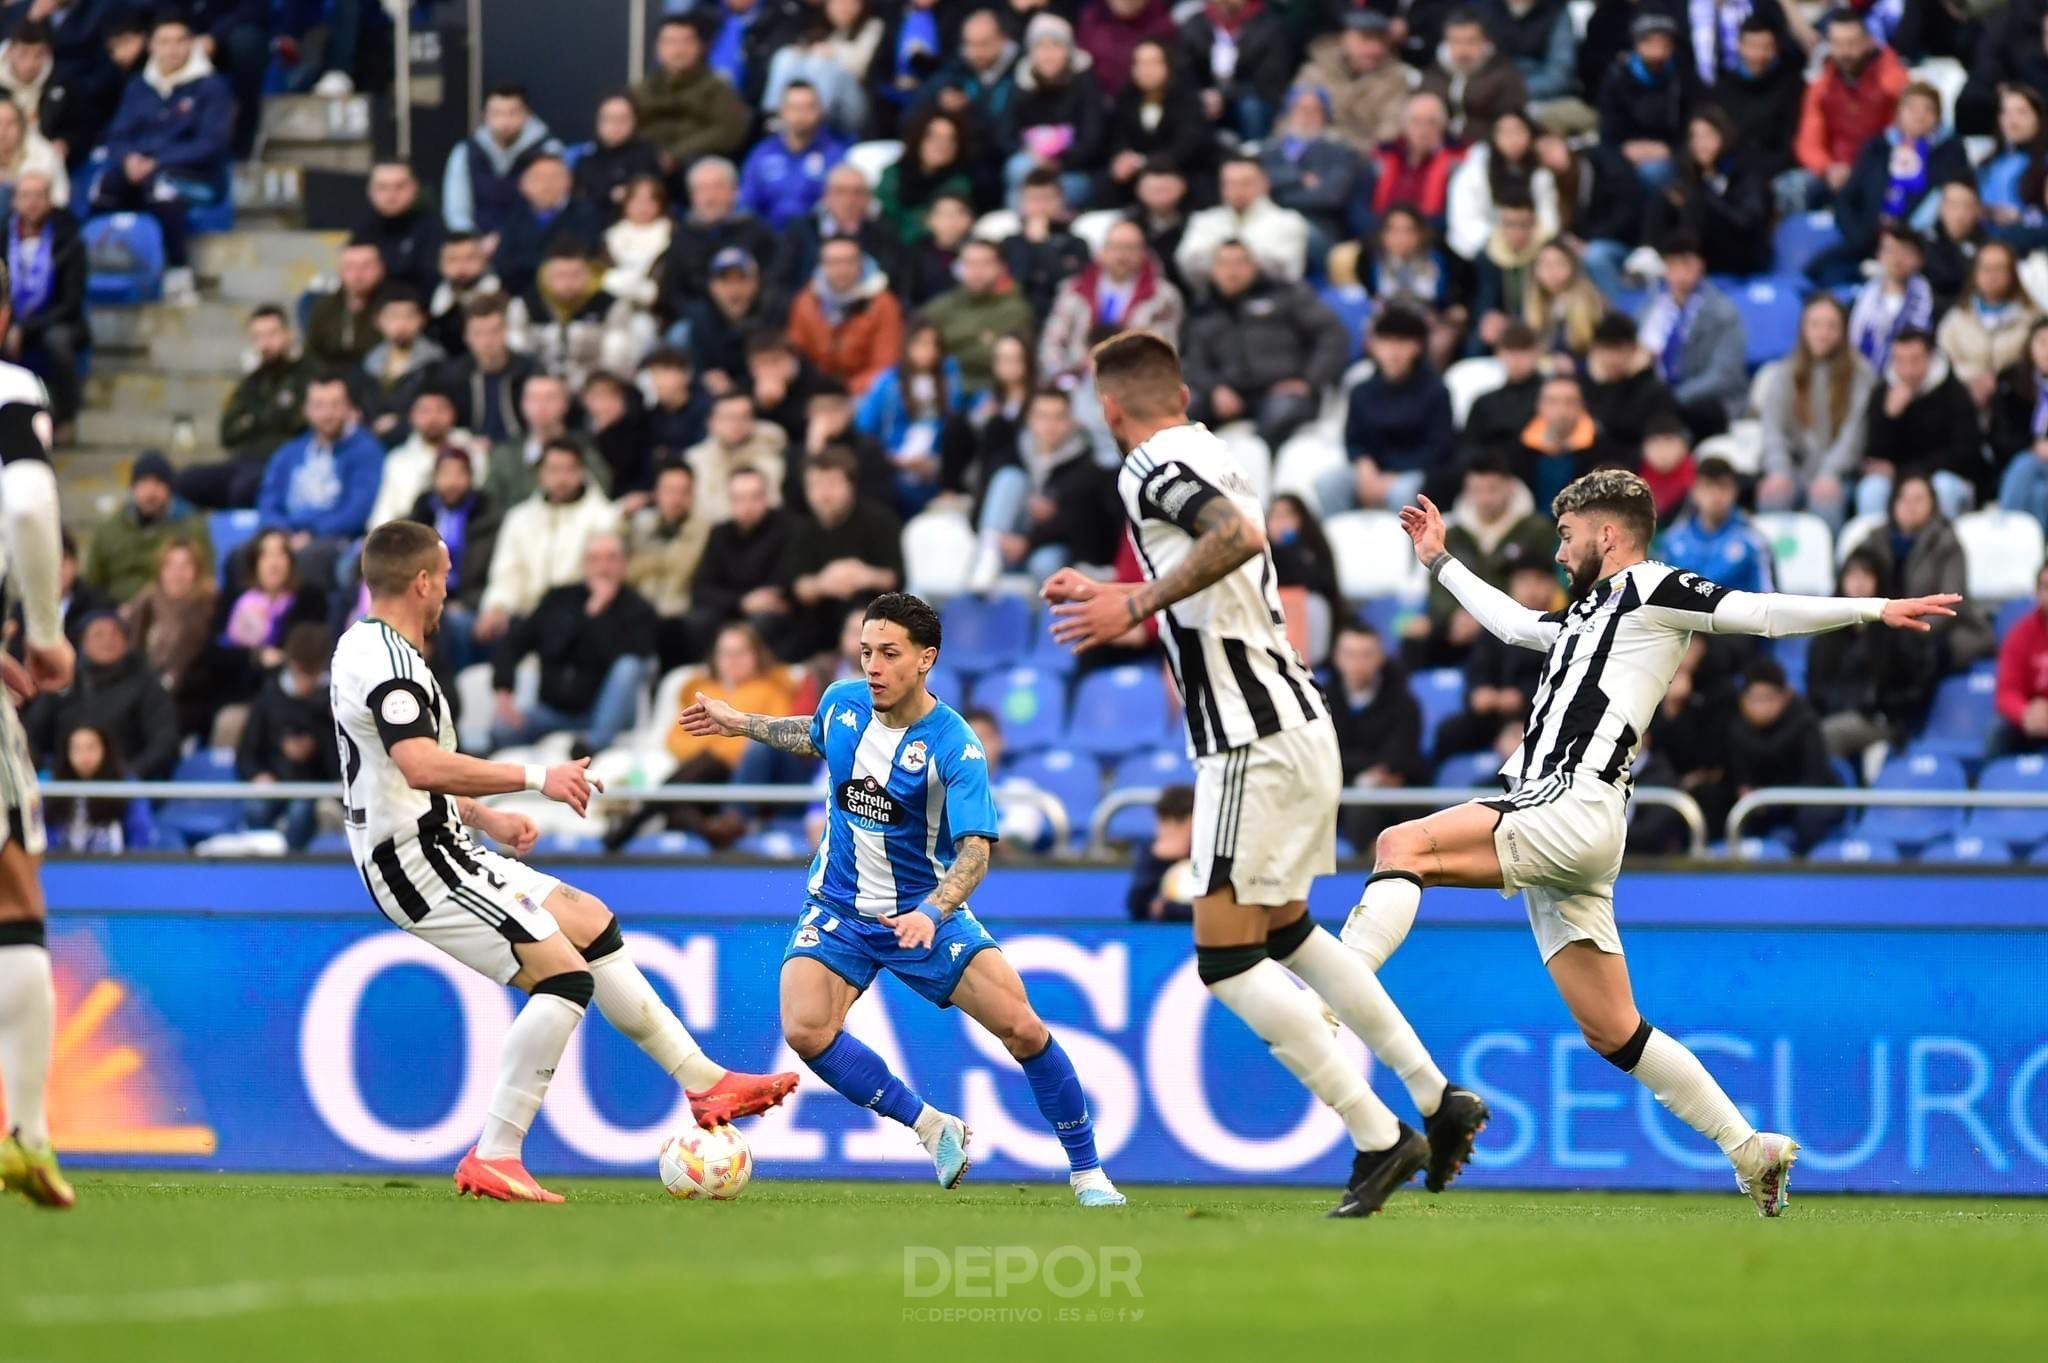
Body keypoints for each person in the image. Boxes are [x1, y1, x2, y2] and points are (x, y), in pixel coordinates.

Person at [1351, 468, 1960, 1216]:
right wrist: (1440, 561)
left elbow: (1760, 611)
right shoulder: (1585, 616)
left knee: (1401, 845)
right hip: (1578, 822)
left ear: (1608, 534)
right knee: (1614, 1031)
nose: (1559, 551)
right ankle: (1751, 1149)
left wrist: (1874, 607)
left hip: (1566, 801)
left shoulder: (1654, 589)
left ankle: (1332, 998)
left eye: (1568, 535)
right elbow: (1512, 623)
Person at [1040, 330, 1480, 1216]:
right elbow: (1227, 552)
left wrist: (1132, 602)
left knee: (1224, 958)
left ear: (1110, 409)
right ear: (1184, 394)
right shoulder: (1215, 451)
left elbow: (1234, 539)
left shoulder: (1145, 465)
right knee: (1286, 931)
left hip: (1251, 735)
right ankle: (1437, 1097)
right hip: (1297, 717)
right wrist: (1124, 594)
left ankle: (1377, 1134)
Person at [332, 520, 796, 1202]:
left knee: (590, 921)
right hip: (417, 861)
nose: (450, 588)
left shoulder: (367, 646)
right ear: (422, 581)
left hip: (441, 841)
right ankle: (496, 1152)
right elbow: (418, 762)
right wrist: (537, 778)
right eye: (446, 574)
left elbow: (399, 774)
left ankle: (705, 1082)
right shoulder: (389, 664)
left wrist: (486, 817)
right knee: (564, 977)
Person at [680, 590, 1124, 1204]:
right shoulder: (842, 702)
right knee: (806, 1029)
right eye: (866, 652)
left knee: (1023, 1028)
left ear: (925, 659)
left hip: (923, 910)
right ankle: (931, 1126)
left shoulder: (955, 745)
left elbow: (975, 852)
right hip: (838, 906)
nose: (873, 666)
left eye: (889, 653)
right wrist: (742, 723)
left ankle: (1088, 1173)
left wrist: (933, 912)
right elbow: (814, 734)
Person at [0, 142, 72, 1208]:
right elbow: (23, 501)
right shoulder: (11, 388)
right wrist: (47, 631)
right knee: (14, 895)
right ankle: (27, 1129)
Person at [89, 14, 232, 304]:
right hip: (139, 171)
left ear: (191, 44)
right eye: (164, 42)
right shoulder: (138, 86)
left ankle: (178, 273)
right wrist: (128, 159)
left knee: (161, 187)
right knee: (104, 186)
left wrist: (158, 162)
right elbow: (117, 135)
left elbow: (211, 144)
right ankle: (101, 265)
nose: (172, 49)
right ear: (151, 46)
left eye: (180, 41)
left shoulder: (211, 87)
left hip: (196, 178)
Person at [488, 532, 654, 755]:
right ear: (584, 565)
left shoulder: (639, 610)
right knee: (501, 730)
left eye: (611, 558)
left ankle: (593, 745)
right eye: (595, 559)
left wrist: (600, 613)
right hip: (551, 711)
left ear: (624, 564)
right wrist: (504, 689)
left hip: (603, 716)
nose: (603, 567)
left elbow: (630, 659)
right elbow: (514, 641)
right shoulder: (558, 599)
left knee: (629, 666)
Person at [1181, 240, 1347, 451]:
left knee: (1280, 414)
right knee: (1185, 414)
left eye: (1240, 263)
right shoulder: (1202, 311)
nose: (1232, 271)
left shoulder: (1286, 295)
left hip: (1281, 391)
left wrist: (1308, 380)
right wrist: (1215, 388)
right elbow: (1193, 360)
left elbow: (1331, 334)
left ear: (1255, 266)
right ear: (1212, 271)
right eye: (1224, 264)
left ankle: (1255, 463)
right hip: (1227, 395)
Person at [970, 386, 1119, 584]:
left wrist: (1032, 537)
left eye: (1058, 417)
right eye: (1042, 417)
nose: (1050, 425)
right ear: (1030, 419)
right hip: (1011, 533)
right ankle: (989, 552)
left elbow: (1081, 523)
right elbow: (983, 498)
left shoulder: (1086, 463)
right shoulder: (1013, 452)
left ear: (1071, 421)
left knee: (1045, 563)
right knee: (1010, 478)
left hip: (1052, 542)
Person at [476, 440, 620, 642]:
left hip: (578, 621)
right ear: (541, 474)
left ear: (581, 472)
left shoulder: (605, 518)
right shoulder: (519, 518)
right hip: (524, 618)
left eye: (569, 470)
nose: (562, 478)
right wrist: (497, 606)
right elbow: (508, 573)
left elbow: (603, 579)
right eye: (554, 470)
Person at [1850, 472, 1993, 669]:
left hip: (1939, 633)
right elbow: (1851, 580)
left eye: (1918, 499)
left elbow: (1952, 602)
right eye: (1904, 498)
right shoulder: (1875, 540)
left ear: (1933, 504)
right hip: (1885, 630)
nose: (1910, 506)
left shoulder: (1947, 541)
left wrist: (1909, 630)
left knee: (1915, 655)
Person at [1808, 547, 1937, 765]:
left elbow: (1914, 682)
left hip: (1882, 719)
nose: (1858, 583)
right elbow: (1817, 685)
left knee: (1826, 735)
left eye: (1866, 575)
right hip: (1836, 714)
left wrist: (1882, 706)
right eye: (1852, 575)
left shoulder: (1896, 630)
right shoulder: (1827, 630)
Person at [1755, 294, 1873, 527]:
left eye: (1831, 326)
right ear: (1804, 329)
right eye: (1815, 325)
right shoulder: (1784, 372)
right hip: (1794, 469)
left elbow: (1853, 435)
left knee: (1825, 502)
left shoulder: (1861, 374)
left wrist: (1829, 474)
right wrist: (1779, 471)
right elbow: (1772, 429)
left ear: (1843, 331)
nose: (1823, 333)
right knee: (1773, 496)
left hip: (1840, 474)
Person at [774, 447, 904, 660]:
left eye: (832, 485)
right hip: (815, 624)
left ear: (851, 485)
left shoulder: (881, 522)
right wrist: (823, 583)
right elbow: (793, 585)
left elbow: (895, 577)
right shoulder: (800, 531)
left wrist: (864, 575)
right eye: (815, 486)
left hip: (872, 617)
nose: (824, 495)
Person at [255, 374, 383, 586]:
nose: (327, 414)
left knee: (309, 559)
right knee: (241, 557)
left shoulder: (366, 450)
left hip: (338, 539)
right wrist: (280, 533)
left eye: (335, 405)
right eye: (319, 406)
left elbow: (357, 511)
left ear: (348, 408)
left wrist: (312, 533)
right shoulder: (290, 451)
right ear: (306, 410)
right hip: (287, 536)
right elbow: (268, 499)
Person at [1325, 307, 1455, 514]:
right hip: (1371, 471)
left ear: (1418, 346)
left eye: (1402, 343)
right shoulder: (1361, 391)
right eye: (1386, 342)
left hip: (1414, 473)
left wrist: (1391, 476)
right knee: (1328, 484)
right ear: (1374, 346)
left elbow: (1439, 449)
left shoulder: (1436, 391)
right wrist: (1364, 464)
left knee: (1404, 493)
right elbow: (1354, 441)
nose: (1394, 352)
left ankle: (1407, 535)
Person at [25, 609, 175, 779]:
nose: (107, 641)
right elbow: (32, 733)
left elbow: (164, 742)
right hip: (64, 782)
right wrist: (51, 771)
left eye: (115, 634)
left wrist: (129, 774)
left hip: (126, 783)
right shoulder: (64, 682)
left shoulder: (146, 684)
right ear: (83, 642)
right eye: (98, 635)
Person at [1039, 219, 1183, 390]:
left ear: (1143, 253)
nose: (1122, 255)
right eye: (1116, 247)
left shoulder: (1162, 296)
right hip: (1076, 379)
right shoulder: (1073, 290)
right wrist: (1063, 377)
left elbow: (1164, 350)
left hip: (1134, 383)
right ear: (1102, 251)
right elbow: (1052, 342)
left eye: (1130, 248)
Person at [1859, 327, 1981, 521]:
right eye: (1900, 361)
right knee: (1872, 489)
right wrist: (1889, 418)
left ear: (1930, 358)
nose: (1907, 370)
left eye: (1915, 360)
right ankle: (1879, 541)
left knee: (1944, 487)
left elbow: (1965, 455)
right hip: (1898, 481)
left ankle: (1942, 540)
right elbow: (1874, 458)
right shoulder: (1882, 394)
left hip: (1941, 477)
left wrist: (1905, 471)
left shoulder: (1954, 392)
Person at [1327, 620, 1427, 850]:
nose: (1358, 663)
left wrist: (1378, 771)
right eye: (1350, 655)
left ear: (1380, 657)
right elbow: (1327, 757)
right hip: (1345, 792)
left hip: (1398, 789)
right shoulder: (1322, 703)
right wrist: (1367, 771)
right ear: (1337, 658)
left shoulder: (1404, 700)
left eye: (1366, 655)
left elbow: (1403, 754)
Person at [235, 620, 335, 851]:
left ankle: (291, 861)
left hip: (314, 789)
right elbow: (246, 752)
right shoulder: (269, 697)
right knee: (256, 808)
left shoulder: (332, 702)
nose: (306, 683)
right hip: (275, 784)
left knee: (301, 811)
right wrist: (258, 775)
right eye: (302, 673)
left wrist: (316, 744)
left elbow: (340, 762)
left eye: (312, 674)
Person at [1793, 9, 1907, 209]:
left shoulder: (1892, 80)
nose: (1845, 52)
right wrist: (1828, 169)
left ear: (1868, 42)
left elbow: (1903, 136)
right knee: (1790, 186)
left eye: (1852, 43)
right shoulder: (1822, 86)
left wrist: (1862, 171)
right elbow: (1808, 142)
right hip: (1834, 172)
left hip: (1880, 170)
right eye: (1837, 44)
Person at [1638, 231, 1746, 438]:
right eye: (1673, 265)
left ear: (1700, 266)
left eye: (1686, 264)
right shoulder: (1652, 307)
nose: (1679, 273)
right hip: (1661, 400)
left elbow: (1724, 374)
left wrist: (1674, 398)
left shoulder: (1723, 312)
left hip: (1708, 402)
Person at [505, 243, 652, 394]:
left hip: (592, 387)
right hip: (540, 388)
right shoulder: (524, 305)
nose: (567, 283)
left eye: (575, 274)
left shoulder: (610, 305)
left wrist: (595, 386)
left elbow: (617, 359)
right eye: (560, 275)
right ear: (546, 274)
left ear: (588, 273)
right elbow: (517, 353)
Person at [405, 446, 500, 676]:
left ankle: (455, 689)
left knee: (454, 624)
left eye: (459, 474)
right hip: (423, 596)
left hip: (468, 599)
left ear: (470, 478)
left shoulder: (487, 516)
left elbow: (494, 571)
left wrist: (467, 601)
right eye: (445, 474)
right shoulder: (422, 511)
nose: (452, 482)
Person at [1644, 108, 1770, 277]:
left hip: (1740, 251)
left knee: (1694, 199)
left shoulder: (1745, 171)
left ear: (1724, 136)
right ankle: (1650, 254)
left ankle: (1686, 262)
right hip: (1705, 250)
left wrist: (1705, 199)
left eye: (1707, 135)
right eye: (1694, 136)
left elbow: (1746, 221)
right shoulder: (1691, 174)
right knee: (1664, 196)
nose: (1700, 143)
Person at [2, 170, 81, 432]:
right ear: (15, 202)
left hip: (56, 319)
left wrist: (25, 329)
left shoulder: (68, 240)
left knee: (57, 342)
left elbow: (70, 303)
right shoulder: (3, 238)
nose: (32, 203)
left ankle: (66, 420)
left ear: (49, 201)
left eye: (38, 196)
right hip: (11, 317)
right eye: (25, 196)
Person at [119, 535, 217, 739]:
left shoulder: (211, 607)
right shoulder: (145, 603)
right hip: (144, 691)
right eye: (170, 565)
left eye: (186, 565)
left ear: (197, 571)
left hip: (190, 698)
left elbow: (210, 666)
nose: (177, 573)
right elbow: (132, 654)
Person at [81, 449, 211, 603]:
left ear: (170, 489)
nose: (151, 491)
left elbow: (206, 581)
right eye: (144, 482)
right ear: (133, 488)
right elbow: (91, 585)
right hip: (116, 611)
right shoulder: (108, 531)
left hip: (173, 608)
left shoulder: (191, 528)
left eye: (158, 483)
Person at [1096, 37, 1210, 208]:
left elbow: (1190, 144)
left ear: (1169, 66)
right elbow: (1117, 138)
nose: (1146, 70)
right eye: (1140, 63)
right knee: (1105, 182)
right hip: (1135, 172)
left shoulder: (1187, 99)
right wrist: (1123, 158)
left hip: (1178, 168)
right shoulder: (1125, 97)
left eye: (1154, 63)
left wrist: (1146, 162)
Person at [687, 464, 792, 649]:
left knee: (764, 622)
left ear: (766, 497)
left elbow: (785, 581)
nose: (747, 506)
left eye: (755, 497)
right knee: (699, 621)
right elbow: (700, 588)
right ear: (730, 501)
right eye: (739, 499)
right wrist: (741, 602)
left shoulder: (786, 527)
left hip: (770, 613)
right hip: (732, 609)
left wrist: (762, 600)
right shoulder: (720, 533)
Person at [787, 236, 903, 397]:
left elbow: (886, 364)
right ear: (822, 265)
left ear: (861, 263)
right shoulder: (805, 302)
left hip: (866, 394)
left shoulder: (883, 304)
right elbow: (796, 356)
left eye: (849, 261)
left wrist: (846, 392)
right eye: (834, 262)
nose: (842, 269)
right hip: (816, 394)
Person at [631, 17, 750, 170]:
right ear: (658, 48)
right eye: (670, 42)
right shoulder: (641, 90)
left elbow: (729, 130)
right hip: (646, 165)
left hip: (695, 164)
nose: (679, 50)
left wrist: (675, 154)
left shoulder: (717, 88)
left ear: (700, 47)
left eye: (686, 41)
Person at [1258, 84, 1365, 251]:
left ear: (1325, 116)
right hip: (1270, 221)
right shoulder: (1269, 150)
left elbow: (1330, 196)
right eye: (1300, 108)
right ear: (1289, 112)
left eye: (1314, 110)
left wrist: (1276, 195)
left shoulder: (1340, 152)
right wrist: (1298, 178)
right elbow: (1257, 186)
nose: (1306, 116)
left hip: (1317, 225)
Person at [215, 527, 326, 688]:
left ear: (291, 561)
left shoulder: (310, 600)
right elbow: (217, 653)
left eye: (281, 554)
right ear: (254, 562)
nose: (274, 563)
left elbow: (310, 651)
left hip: (290, 688)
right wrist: (255, 656)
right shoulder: (235, 598)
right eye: (265, 555)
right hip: (237, 686)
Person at [1445, 107, 1560, 263]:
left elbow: (1548, 220)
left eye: (1518, 131)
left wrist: (1526, 238)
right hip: (1483, 247)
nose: (1512, 139)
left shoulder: (1541, 175)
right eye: (1505, 132)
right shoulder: (1473, 172)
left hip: (1531, 245)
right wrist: (1499, 242)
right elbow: (1464, 220)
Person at [921, 238, 1035, 393]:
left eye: (985, 264)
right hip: (944, 390)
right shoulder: (939, 307)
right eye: (970, 263)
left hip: (995, 392)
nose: (977, 271)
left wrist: (952, 345)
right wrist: (980, 339)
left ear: (1001, 267)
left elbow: (1010, 361)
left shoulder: (1015, 310)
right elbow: (921, 351)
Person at [1176, 155, 1310, 286]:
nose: (1238, 190)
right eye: (1230, 183)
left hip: (1273, 297)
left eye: (1246, 183)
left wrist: (1221, 254)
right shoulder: (1203, 220)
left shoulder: (1288, 221)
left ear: (1265, 183)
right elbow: (1188, 264)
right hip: (1216, 297)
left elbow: (1287, 271)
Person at [663, 158, 781, 305]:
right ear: (692, 196)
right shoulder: (682, 238)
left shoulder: (759, 232)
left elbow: (776, 281)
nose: (710, 197)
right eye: (701, 189)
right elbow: (673, 291)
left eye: (717, 187)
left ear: (734, 191)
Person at [1936, 240, 2037, 412]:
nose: (1992, 276)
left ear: (2013, 273)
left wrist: (2002, 380)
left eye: (1999, 268)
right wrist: (1973, 377)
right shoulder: (1956, 318)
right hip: (1964, 404)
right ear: (1975, 273)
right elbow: (1942, 361)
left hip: (2018, 406)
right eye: (1985, 268)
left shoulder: (2033, 318)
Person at [369, 384, 485, 531]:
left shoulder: (472, 450)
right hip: (407, 534)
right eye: (425, 411)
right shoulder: (397, 460)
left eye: (440, 409)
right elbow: (383, 512)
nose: (433, 418)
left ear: (454, 413)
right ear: (411, 416)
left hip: (467, 532)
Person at [1597, 12, 1693, 189]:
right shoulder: (1617, 77)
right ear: (1636, 44)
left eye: (1662, 42)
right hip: (1625, 150)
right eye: (1649, 41)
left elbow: (1690, 125)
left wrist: (1669, 149)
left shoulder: (1682, 77)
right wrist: (1626, 149)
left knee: (1654, 173)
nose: (1656, 48)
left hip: (1669, 153)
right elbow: (1608, 130)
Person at [491, 152, 605, 300]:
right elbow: (504, 264)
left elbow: (584, 258)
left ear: (569, 180)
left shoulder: (586, 214)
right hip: (520, 296)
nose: (547, 184)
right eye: (539, 178)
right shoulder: (513, 216)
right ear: (523, 184)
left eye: (555, 177)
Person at [737, 82, 848, 232]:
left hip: (815, 237)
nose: (801, 115)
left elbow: (841, 204)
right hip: (768, 236)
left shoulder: (835, 154)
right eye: (794, 108)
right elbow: (747, 201)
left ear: (820, 111)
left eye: (808, 107)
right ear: (781, 111)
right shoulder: (762, 153)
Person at [1296, 11, 1407, 155]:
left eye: (1381, 41)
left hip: (1362, 156)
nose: (1375, 49)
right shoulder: (1316, 71)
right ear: (1346, 39)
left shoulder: (1395, 80)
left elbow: (1390, 131)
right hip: (1310, 150)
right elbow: (1291, 119)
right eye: (1366, 39)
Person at [1659, 456, 1775, 593]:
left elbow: (1768, 597)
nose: (1716, 495)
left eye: (1723, 486)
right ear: (1695, 491)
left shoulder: (1753, 541)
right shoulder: (1673, 539)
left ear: (1734, 491)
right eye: (1708, 486)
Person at [442, 294, 538, 447]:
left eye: (494, 331)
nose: (487, 341)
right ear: (466, 337)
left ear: (506, 330)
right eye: (478, 333)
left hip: (522, 448)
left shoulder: (529, 370)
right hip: (471, 449)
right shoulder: (454, 375)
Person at [1420, 8, 1528, 144]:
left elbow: (1514, 121)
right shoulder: (1433, 73)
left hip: (1485, 146)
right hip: (1439, 148)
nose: (1463, 49)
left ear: (1484, 41)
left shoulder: (1504, 75)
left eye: (1471, 41)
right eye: (1456, 41)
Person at [45, 723, 152, 853]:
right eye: (77, 749)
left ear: (105, 750)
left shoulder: (126, 787)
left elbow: (139, 836)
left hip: (113, 863)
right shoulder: (53, 789)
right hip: (63, 863)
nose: (84, 755)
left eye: (90, 748)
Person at [685, 388, 788, 524]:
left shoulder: (771, 456)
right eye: (729, 417)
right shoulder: (694, 461)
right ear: (711, 423)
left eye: (744, 416)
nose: (737, 424)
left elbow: (775, 506)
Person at [359, 284, 445, 437]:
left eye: (408, 316)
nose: (401, 324)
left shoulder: (435, 361)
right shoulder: (370, 361)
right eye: (393, 317)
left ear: (421, 320)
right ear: (378, 321)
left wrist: (401, 421)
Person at [1848, 224, 1933, 377]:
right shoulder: (1860, 301)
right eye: (1890, 250)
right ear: (1879, 255)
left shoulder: (1932, 305)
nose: (1897, 259)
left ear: (1920, 259)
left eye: (1905, 251)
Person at [574, 93, 669, 221]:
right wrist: (610, 195)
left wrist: (630, 194)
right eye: (610, 118)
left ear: (634, 120)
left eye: (623, 118)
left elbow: (660, 194)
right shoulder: (586, 160)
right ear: (599, 121)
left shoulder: (649, 153)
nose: (616, 125)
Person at [1994, 318, 2048, 531]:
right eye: (2042, 343)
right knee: (2039, 492)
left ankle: (2003, 531)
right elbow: (2000, 437)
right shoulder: (2011, 383)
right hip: (2019, 462)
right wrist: (2033, 448)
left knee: (2027, 468)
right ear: (2029, 346)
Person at [358, 160, 442, 295]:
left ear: (415, 188)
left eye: (400, 186)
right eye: (382, 187)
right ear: (370, 191)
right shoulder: (362, 230)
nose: (391, 195)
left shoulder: (434, 230)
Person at [1990, 563, 2048, 757]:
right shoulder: (2020, 634)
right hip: (2030, 719)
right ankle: (1991, 776)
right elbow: (2006, 692)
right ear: (2037, 593)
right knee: (1997, 730)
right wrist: (2025, 713)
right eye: (2046, 587)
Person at [305, 238, 387, 373]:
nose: (358, 275)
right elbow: (311, 354)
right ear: (340, 271)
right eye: (350, 267)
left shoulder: (393, 307)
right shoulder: (324, 308)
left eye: (366, 266)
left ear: (380, 269)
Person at [1126, 782, 1195, 921]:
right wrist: (1159, 857)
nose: (1166, 831)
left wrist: (1167, 908)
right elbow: (1137, 906)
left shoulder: (1206, 858)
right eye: (1162, 822)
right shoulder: (1150, 855)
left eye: (1178, 823)